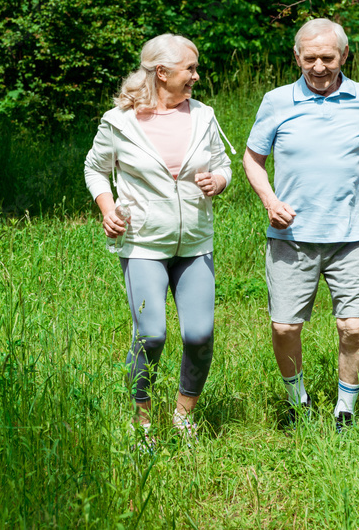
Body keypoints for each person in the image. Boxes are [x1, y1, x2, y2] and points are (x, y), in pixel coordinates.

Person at [242, 18, 359, 432]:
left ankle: (345, 410)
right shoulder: (276, 101)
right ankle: (298, 402)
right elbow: (253, 158)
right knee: (285, 326)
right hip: (291, 234)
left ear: (344, 55)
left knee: (353, 326)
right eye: (309, 58)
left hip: (351, 233)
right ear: (297, 57)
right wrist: (270, 201)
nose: (319, 67)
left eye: (328, 57)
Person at [84, 33, 235, 444]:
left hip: (195, 242)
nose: (196, 76)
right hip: (143, 243)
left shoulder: (203, 115)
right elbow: (95, 169)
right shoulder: (119, 122)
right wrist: (107, 208)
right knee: (150, 335)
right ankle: (143, 421)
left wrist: (219, 180)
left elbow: (223, 165)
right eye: (190, 69)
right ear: (162, 72)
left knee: (199, 335)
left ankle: (183, 417)